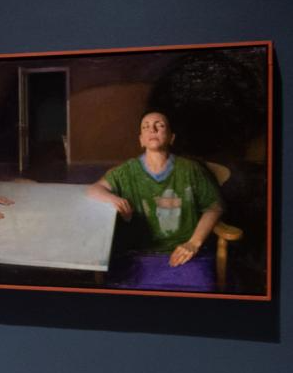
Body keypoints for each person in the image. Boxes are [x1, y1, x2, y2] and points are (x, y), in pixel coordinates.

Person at [86, 110, 223, 290]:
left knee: (198, 291)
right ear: (141, 140)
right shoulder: (126, 171)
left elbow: (214, 207)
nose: (153, 129)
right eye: (146, 127)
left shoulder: (190, 169)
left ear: (171, 137)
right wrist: (112, 198)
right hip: (139, 255)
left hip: (184, 253)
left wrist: (193, 243)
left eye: (160, 125)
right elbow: (93, 190)